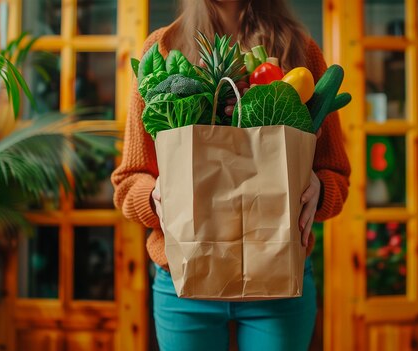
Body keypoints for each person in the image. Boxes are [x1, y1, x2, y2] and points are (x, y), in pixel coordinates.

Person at [111, 0, 351, 350]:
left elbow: (338, 177)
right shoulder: (161, 49)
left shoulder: (300, 50)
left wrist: (320, 189)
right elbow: (128, 181)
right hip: (184, 284)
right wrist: (154, 196)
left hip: (278, 282)